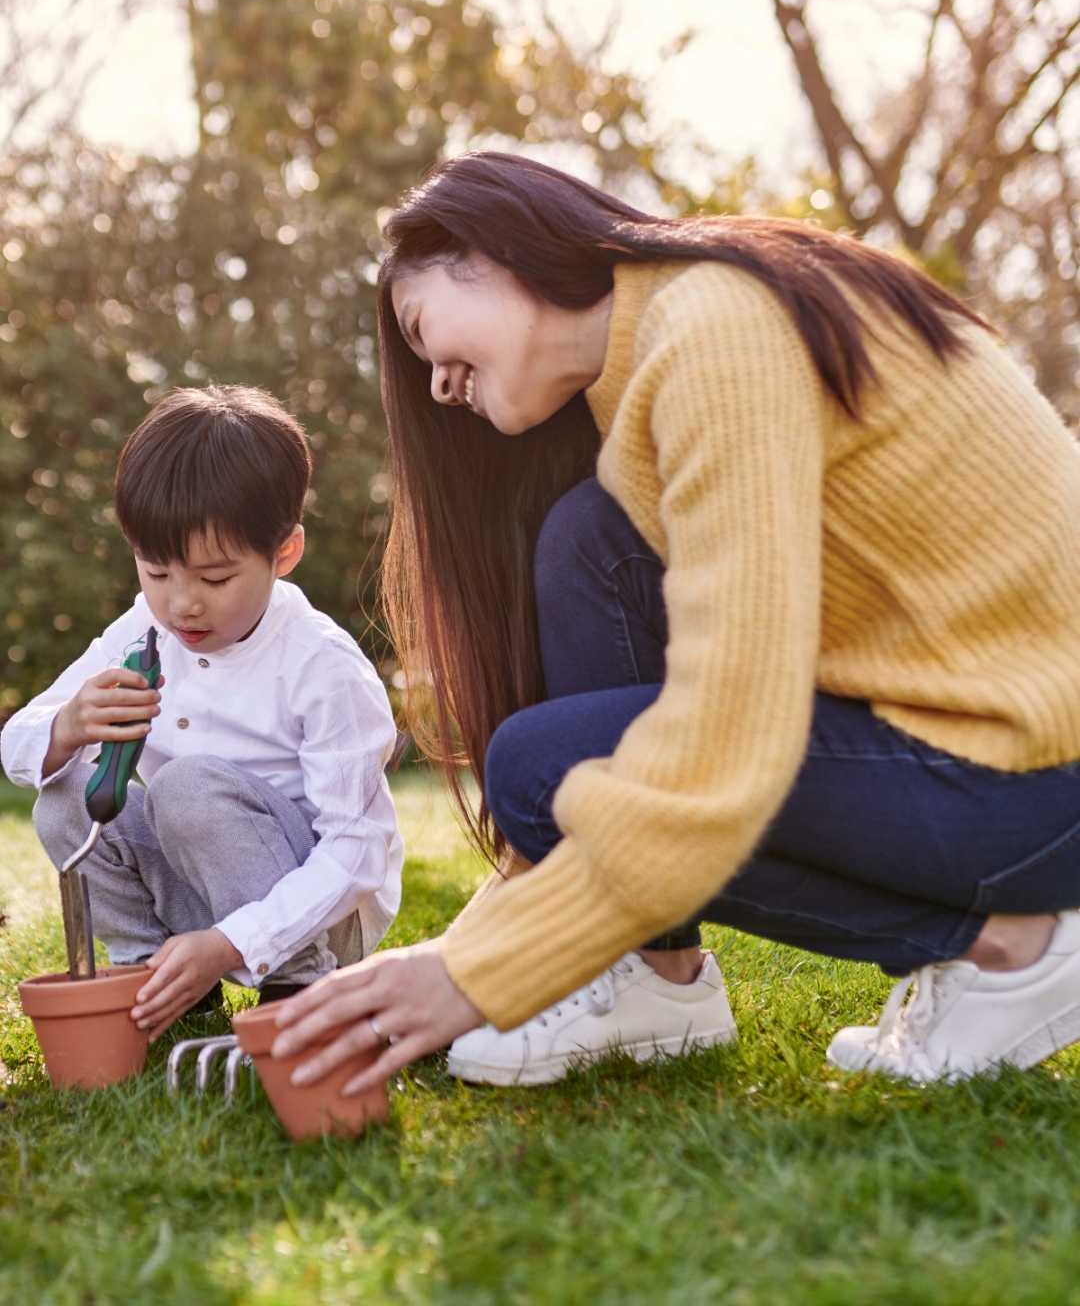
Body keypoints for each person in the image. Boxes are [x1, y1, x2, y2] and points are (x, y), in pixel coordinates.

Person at [269, 150, 1080, 1094]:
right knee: (587, 540)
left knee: (546, 768)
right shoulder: (668, 344)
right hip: (994, 754)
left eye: (421, 329)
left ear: (489, 255)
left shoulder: (715, 336)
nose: (437, 385)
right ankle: (658, 974)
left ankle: (1010, 943)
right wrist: (486, 943)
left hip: (1034, 776)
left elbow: (730, 735)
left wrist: (470, 973)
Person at [1, 385, 403, 1041]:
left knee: (186, 785)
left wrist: (233, 941)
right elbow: (18, 745)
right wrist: (68, 724)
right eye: (156, 573)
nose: (182, 604)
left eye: (214, 579)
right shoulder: (141, 633)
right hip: (198, 891)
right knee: (63, 797)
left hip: (312, 914)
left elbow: (355, 854)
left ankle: (296, 988)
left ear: (284, 554)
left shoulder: (323, 667)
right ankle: (158, 981)